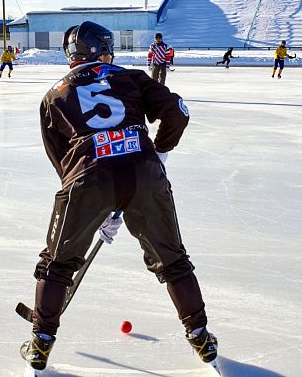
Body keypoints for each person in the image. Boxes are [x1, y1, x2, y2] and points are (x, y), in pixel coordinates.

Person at [20, 21, 218, 373]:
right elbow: (177, 111)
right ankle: (199, 334)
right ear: (101, 50)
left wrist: (97, 205)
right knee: (172, 260)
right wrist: (160, 153)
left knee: (57, 263)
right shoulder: (132, 76)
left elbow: (63, 161)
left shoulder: (53, 96)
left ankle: (41, 342)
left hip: (87, 179)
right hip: (145, 173)